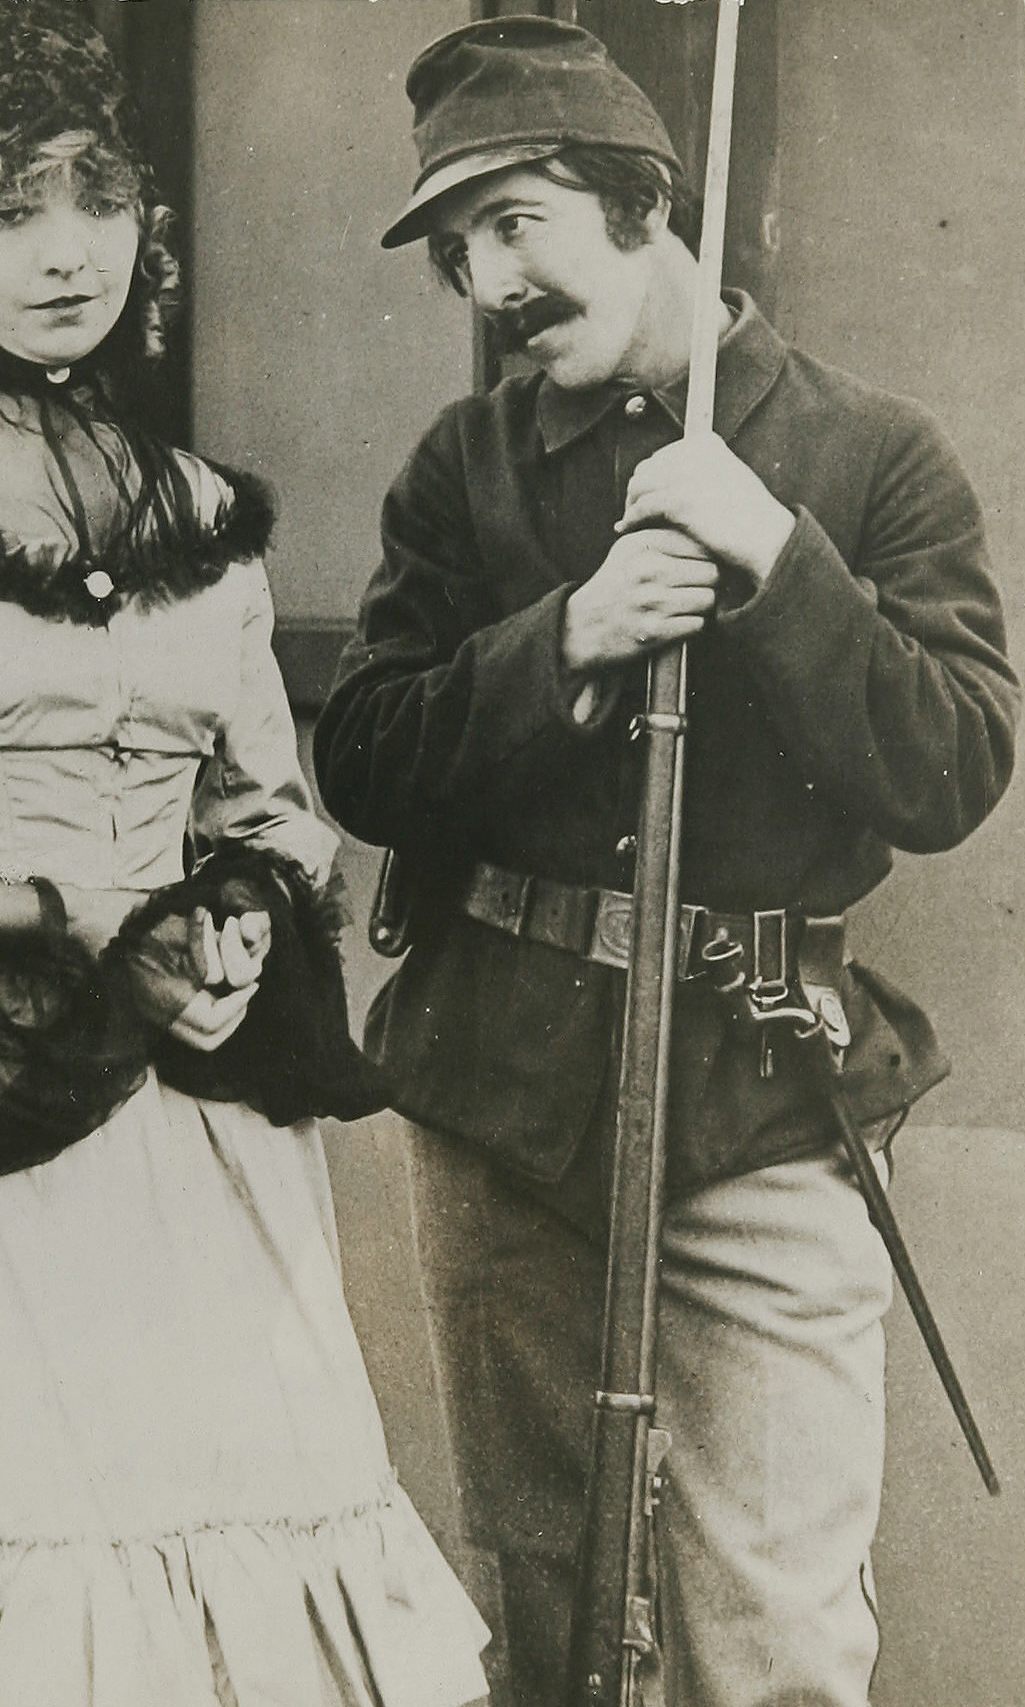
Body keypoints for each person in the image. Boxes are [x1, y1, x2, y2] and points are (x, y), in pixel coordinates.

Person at [0, 5, 490, 1702]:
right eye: (13, 209)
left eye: (101, 200)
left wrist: (236, 929)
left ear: (148, 225)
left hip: (184, 1136)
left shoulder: (203, 524)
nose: (68, 251)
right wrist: (50, 925)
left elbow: (266, 812)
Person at [313, 17, 1018, 1707]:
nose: (492, 283)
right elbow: (366, 757)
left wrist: (779, 557)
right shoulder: (464, 469)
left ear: (640, 198)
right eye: (460, 248)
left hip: (760, 1102)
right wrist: (567, 637)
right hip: (503, 1100)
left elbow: (953, 765)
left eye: (517, 222)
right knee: (547, 1624)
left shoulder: (874, 454)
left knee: (774, 1643)